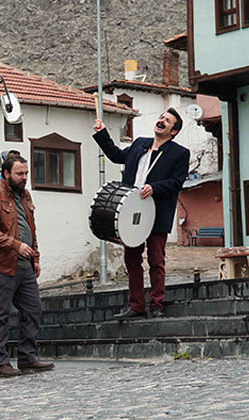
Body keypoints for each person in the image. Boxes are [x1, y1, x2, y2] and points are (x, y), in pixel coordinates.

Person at [92, 108, 190, 319]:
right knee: (132, 260)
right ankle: (136, 306)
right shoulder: (139, 144)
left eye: (167, 121)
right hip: (132, 210)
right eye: (161, 117)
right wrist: (102, 133)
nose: (161, 121)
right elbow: (117, 155)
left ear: (174, 131)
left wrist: (154, 188)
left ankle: (156, 305)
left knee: (156, 260)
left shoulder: (180, 153)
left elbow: (176, 182)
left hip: (157, 212)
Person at [0, 155, 54, 377]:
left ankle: (27, 358)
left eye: (26, 173)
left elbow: (31, 228)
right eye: (19, 173)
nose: (24, 177)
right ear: (6, 174)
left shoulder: (25, 195)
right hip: (2, 265)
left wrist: (36, 257)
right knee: (0, 314)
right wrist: (16, 245)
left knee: (33, 309)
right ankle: (1, 363)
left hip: (25, 264)